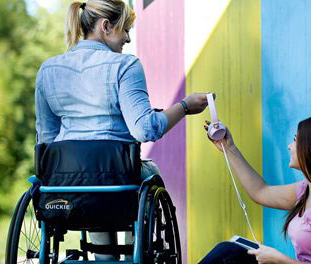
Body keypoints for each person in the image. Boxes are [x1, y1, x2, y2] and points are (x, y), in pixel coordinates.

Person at [36, 0, 210, 260]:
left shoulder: (48, 69)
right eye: (125, 29)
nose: (127, 38)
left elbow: (46, 137)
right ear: (106, 26)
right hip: (115, 180)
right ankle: (132, 254)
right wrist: (184, 107)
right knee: (147, 173)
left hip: (64, 186)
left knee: (94, 183)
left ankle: (104, 256)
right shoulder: (125, 66)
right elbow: (145, 129)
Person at [200, 116, 311, 264]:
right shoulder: (306, 191)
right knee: (229, 251)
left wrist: (278, 260)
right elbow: (260, 192)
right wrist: (229, 148)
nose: (289, 146)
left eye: (295, 140)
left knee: (230, 254)